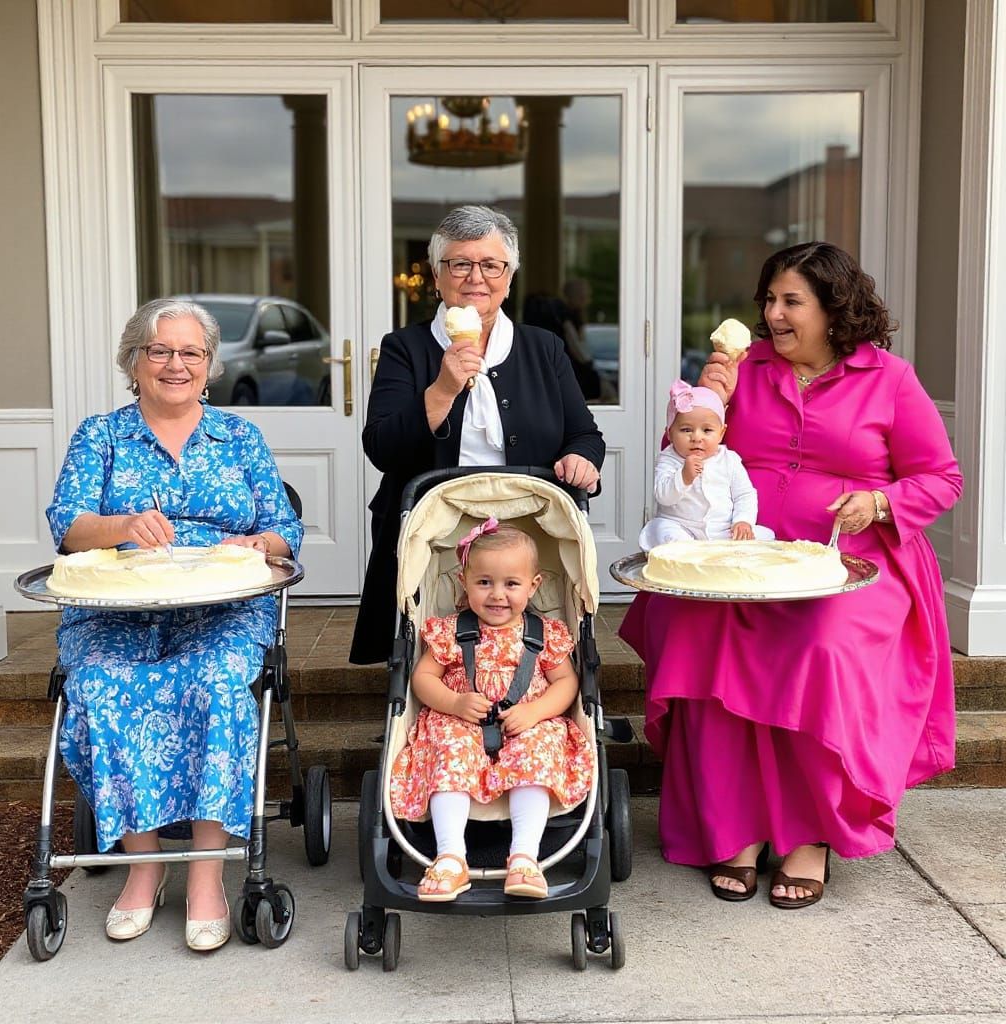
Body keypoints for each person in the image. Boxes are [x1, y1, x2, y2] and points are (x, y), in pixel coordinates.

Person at [620, 241, 962, 909]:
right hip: (740, 558)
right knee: (700, 632)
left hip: (849, 560)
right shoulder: (745, 371)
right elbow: (682, 464)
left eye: (790, 302)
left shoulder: (890, 379)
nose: (773, 315)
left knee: (819, 645)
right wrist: (703, 408)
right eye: (769, 301)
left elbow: (941, 477)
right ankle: (735, 826)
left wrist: (880, 502)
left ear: (834, 308)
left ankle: (810, 834)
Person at [46, 298, 303, 950]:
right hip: (118, 608)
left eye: (191, 352)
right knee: (101, 684)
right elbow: (67, 525)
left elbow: (285, 527)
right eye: (159, 351)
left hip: (222, 606)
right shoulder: (100, 436)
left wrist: (259, 543)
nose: (175, 364)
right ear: (133, 361)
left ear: (210, 365)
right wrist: (123, 525)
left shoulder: (239, 437)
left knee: (216, 681)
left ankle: (208, 873)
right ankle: (146, 866)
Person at [351, 204, 605, 665]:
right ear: (436, 275)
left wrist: (582, 458)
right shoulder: (404, 348)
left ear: (509, 277)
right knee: (435, 656)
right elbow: (382, 448)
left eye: (491, 264)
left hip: (528, 527)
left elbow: (585, 435)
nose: (476, 278)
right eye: (460, 264)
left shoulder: (544, 347)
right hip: (433, 529)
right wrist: (443, 389)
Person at [389, 522, 593, 901]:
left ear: (533, 585)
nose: (497, 595)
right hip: (461, 721)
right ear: (463, 582)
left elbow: (566, 682)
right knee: (448, 745)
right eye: (484, 582)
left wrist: (536, 711)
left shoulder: (544, 633)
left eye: (511, 584)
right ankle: (450, 857)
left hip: (526, 722)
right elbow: (423, 678)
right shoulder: (450, 631)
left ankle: (525, 858)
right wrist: (454, 702)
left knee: (539, 747)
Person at [639, 378, 774, 550]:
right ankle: (687, 553)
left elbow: (744, 494)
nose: (697, 437)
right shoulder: (668, 459)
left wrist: (742, 521)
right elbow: (663, 496)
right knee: (663, 530)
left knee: (765, 536)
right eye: (686, 430)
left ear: (721, 433)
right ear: (670, 434)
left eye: (707, 430)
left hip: (721, 530)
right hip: (681, 527)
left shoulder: (729, 460)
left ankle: (722, 553)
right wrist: (684, 477)